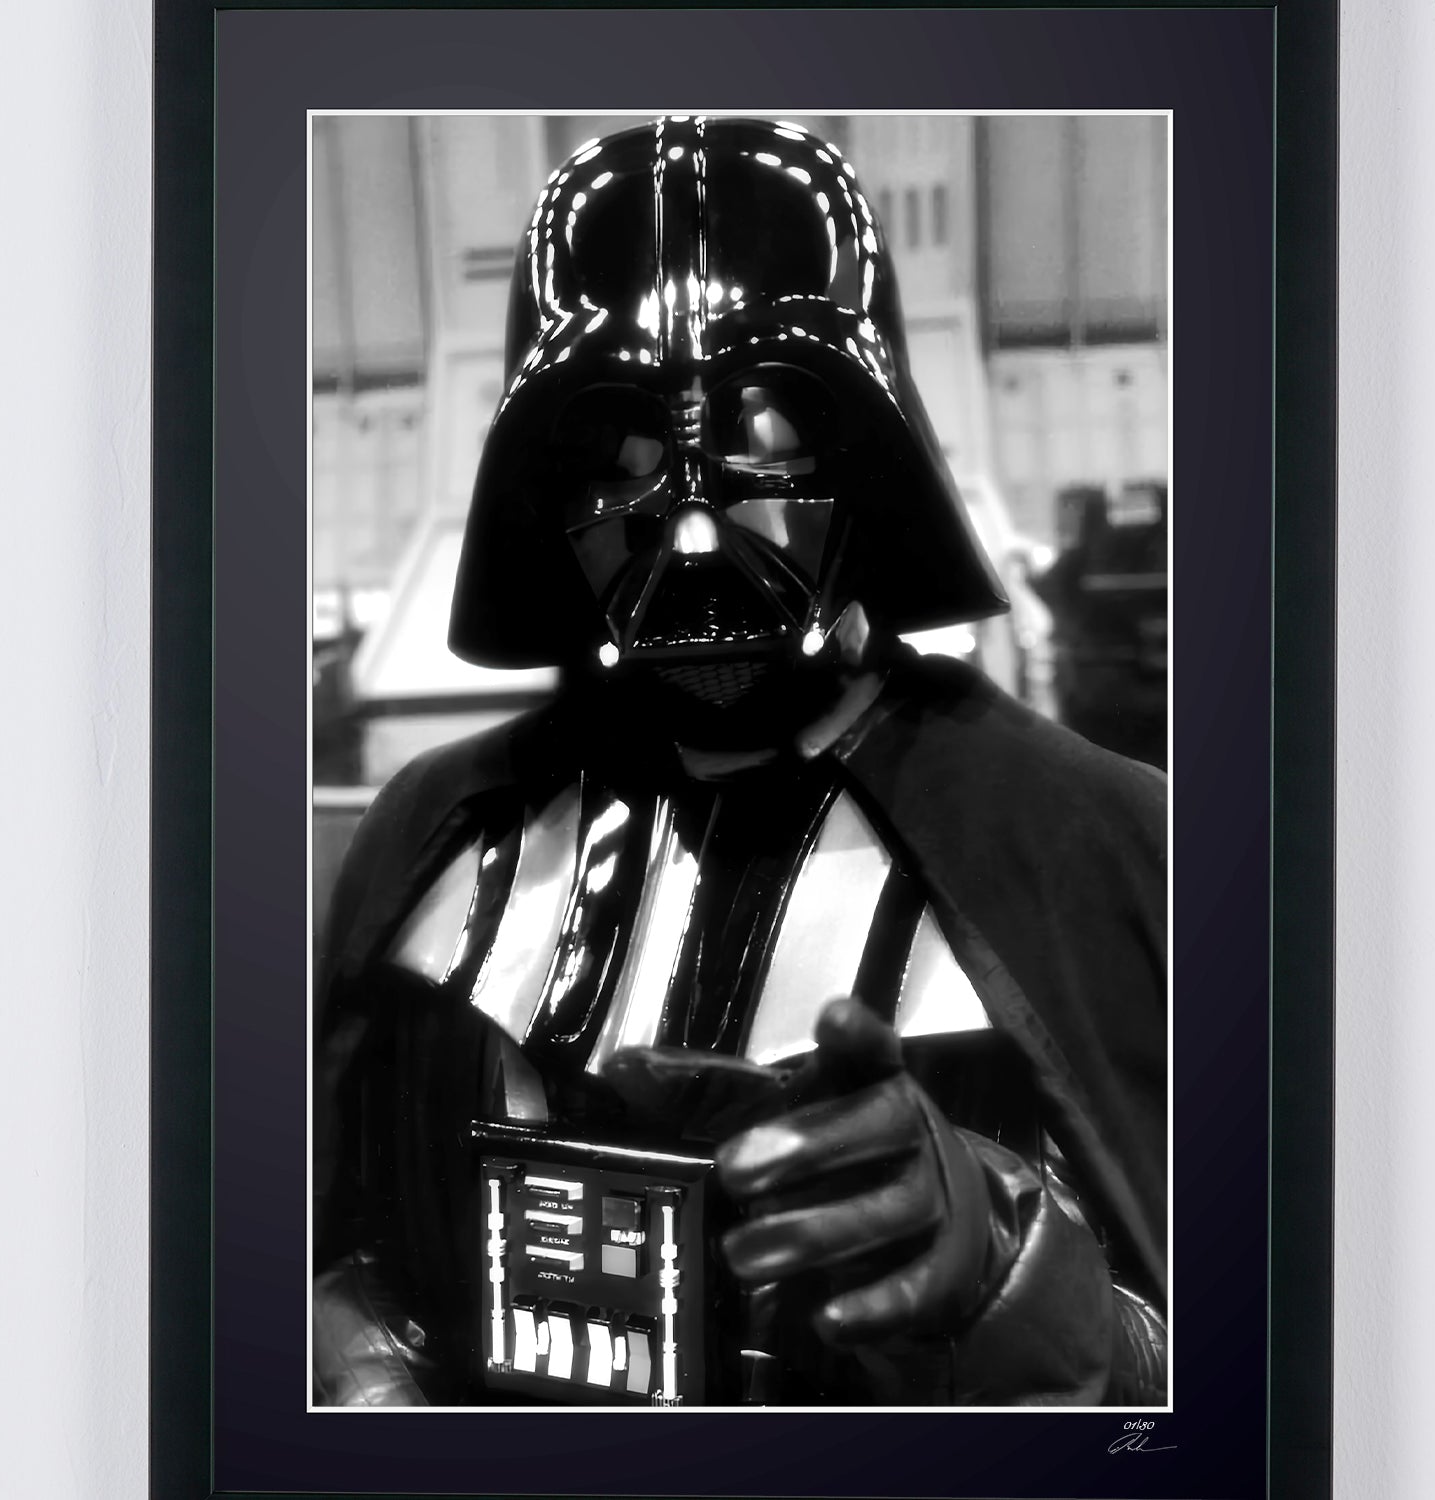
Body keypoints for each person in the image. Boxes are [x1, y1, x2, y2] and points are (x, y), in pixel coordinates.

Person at [312, 116, 1166, 1407]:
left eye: (767, 435)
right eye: (622, 458)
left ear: (872, 459)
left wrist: (1020, 1285)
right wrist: (368, 1370)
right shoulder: (444, 835)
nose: (698, 533)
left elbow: (1241, 1382)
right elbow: (353, 1225)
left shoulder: (1086, 847)